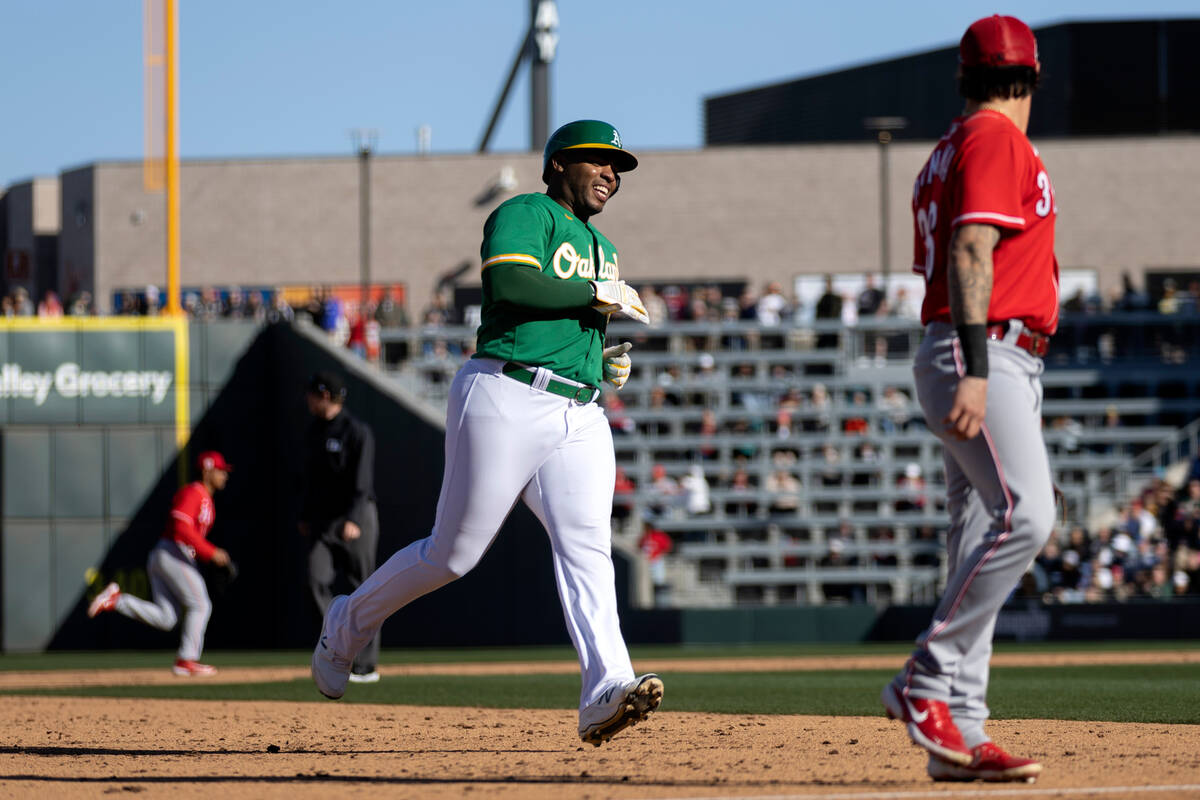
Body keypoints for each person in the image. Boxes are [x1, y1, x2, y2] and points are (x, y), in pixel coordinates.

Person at [310, 119, 663, 746]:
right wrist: (592, 295)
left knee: (588, 550)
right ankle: (345, 625)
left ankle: (605, 689)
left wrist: (599, 356)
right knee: (454, 554)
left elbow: (573, 314)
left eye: (619, 166)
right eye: (600, 160)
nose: (612, 172)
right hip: (505, 392)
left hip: (578, 410)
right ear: (559, 164)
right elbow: (509, 282)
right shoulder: (526, 212)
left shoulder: (605, 249)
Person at [879, 15, 1055, 784]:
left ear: (964, 75)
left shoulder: (948, 146)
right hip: (981, 348)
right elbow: (970, 248)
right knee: (1028, 515)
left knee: (979, 530)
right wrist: (979, 368)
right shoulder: (994, 138)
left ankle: (963, 728)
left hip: (971, 346)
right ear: (1034, 76)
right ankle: (927, 678)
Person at [87, 451, 233, 676]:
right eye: (220, 470)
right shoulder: (194, 492)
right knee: (201, 605)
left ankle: (117, 600)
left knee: (167, 618)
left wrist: (207, 553)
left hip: (167, 555)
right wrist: (210, 551)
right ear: (206, 469)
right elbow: (180, 525)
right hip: (172, 552)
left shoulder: (207, 499)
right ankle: (187, 659)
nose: (224, 475)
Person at [301, 370, 381, 684]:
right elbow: (309, 481)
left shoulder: (356, 431)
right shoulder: (313, 432)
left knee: (365, 589)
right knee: (314, 579)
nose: (306, 399)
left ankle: (365, 664)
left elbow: (362, 482)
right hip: (322, 520)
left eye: (311, 393)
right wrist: (305, 515)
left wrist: (354, 519)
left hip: (355, 517)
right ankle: (336, 647)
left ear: (324, 395)